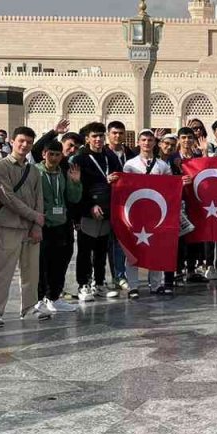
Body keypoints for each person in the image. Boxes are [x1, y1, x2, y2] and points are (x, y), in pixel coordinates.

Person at [0, 127, 46, 327]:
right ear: (12, 141)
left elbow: (39, 198)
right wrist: (34, 215)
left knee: (31, 271)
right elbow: (8, 198)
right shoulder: (1, 167)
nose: (24, 145)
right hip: (7, 226)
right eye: (21, 141)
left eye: (29, 142)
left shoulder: (33, 170)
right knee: (2, 270)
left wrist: (37, 224)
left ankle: (29, 308)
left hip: (30, 229)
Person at [120, 129, 174, 297]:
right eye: (143, 140)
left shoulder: (162, 166)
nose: (146, 143)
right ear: (138, 142)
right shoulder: (130, 164)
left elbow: (170, 188)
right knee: (132, 249)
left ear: (154, 143)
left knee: (157, 248)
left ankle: (156, 284)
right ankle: (133, 286)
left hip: (156, 213)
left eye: (150, 140)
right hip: (136, 212)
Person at [73, 123, 122, 301]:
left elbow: (119, 177)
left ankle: (99, 282)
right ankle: (83, 284)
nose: (98, 139)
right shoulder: (80, 159)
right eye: (94, 136)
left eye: (101, 136)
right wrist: (89, 206)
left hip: (107, 210)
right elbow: (78, 187)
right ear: (87, 138)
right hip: (89, 211)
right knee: (86, 249)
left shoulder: (110, 156)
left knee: (102, 249)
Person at [35, 137, 84, 311]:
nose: (54, 158)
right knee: (42, 263)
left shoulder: (63, 172)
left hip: (62, 224)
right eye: (51, 154)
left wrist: (75, 183)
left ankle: (54, 296)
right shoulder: (36, 172)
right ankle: (39, 298)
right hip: (43, 224)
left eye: (57, 155)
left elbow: (73, 198)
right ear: (44, 154)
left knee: (61, 261)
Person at [105, 120, 131, 290]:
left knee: (123, 240)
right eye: (114, 133)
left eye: (120, 133)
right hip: (109, 202)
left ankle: (121, 274)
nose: (117, 136)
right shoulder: (103, 154)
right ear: (108, 134)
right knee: (111, 241)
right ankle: (114, 275)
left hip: (127, 203)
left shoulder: (129, 153)